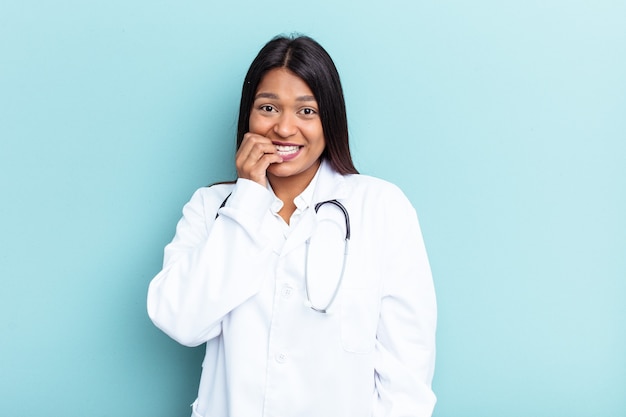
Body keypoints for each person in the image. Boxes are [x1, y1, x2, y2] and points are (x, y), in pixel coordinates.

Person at [147, 34, 437, 417]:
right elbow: (182, 321)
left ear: (330, 119)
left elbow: (407, 369)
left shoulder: (381, 207)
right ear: (248, 116)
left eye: (306, 111)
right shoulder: (211, 208)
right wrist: (248, 199)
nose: (284, 129)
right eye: (268, 108)